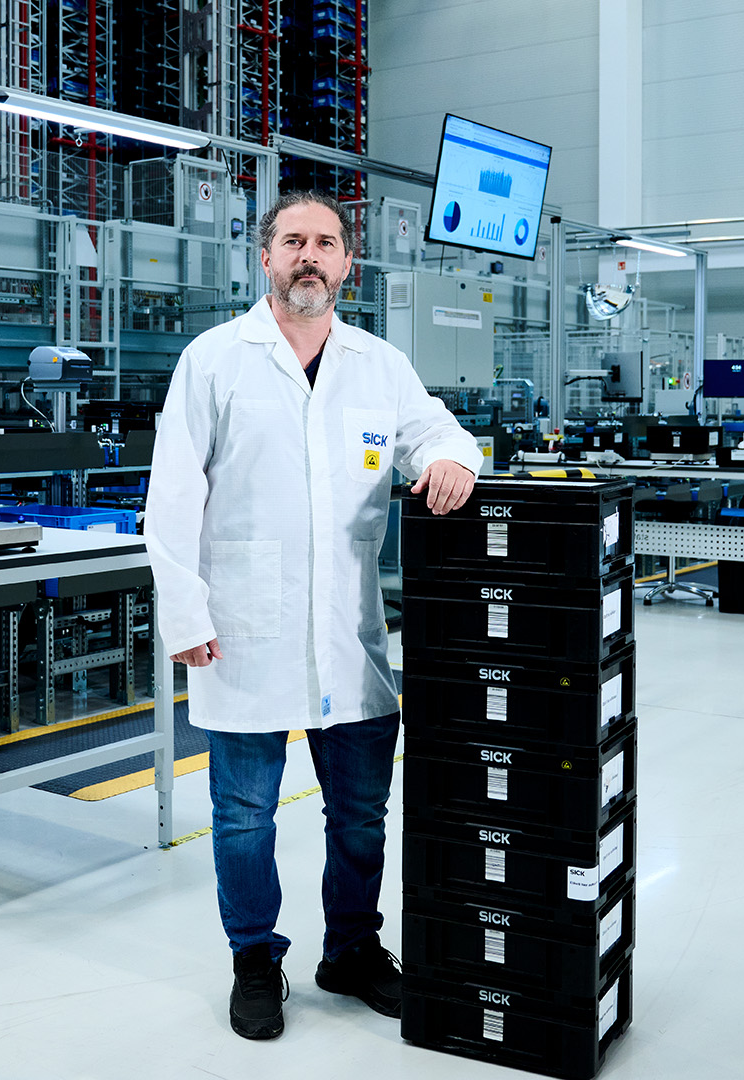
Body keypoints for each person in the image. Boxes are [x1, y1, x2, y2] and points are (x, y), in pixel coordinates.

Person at [145, 191, 480, 1040]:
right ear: (266, 259)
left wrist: (447, 461)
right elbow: (173, 497)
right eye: (293, 240)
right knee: (244, 818)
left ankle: (352, 951)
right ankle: (255, 957)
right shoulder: (216, 359)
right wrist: (182, 612)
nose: (309, 255)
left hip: (348, 636)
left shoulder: (380, 364)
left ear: (347, 266)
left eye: (325, 243)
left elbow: (440, 433)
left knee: (361, 816)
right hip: (241, 633)